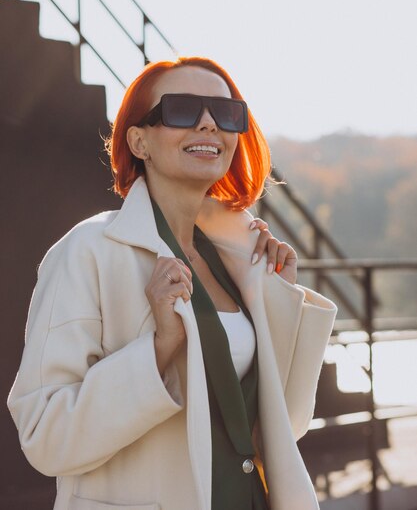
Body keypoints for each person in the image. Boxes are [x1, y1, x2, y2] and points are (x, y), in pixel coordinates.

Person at [8, 56, 337, 510]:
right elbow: (45, 437)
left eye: (226, 114)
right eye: (183, 109)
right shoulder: (88, 251)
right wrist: (159, 348)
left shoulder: (241, 261)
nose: (208, 125)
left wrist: (282, 300)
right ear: (139, 141)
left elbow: (281, 430)